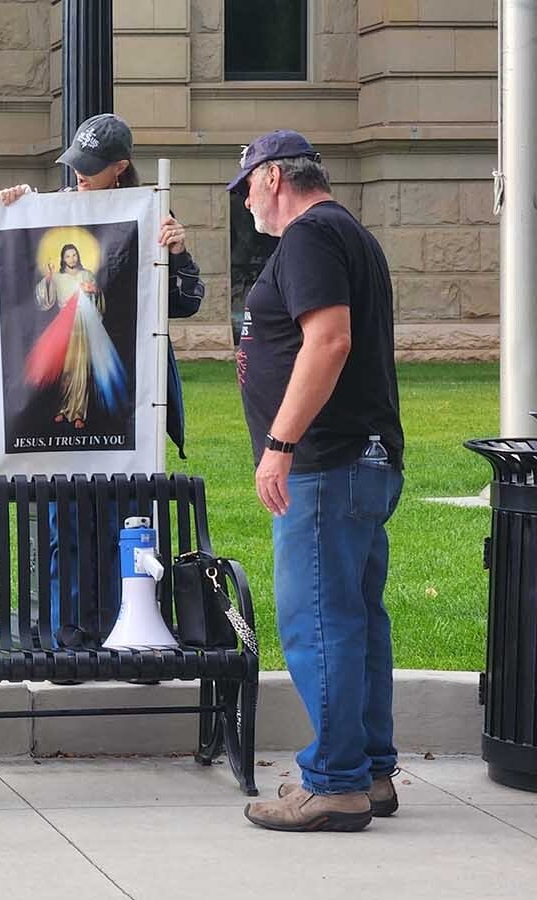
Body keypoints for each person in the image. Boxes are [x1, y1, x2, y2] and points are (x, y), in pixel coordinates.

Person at [230, 131, 404, 833]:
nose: (245, 201)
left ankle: (334, 783)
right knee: (358, 621)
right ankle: (371, 771)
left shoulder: (308, 237)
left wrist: (280, 443)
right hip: (361, 458)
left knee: (321, 625)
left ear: (274, 177)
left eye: (246, 185)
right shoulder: (351, 235)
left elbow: (329, 339)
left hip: (326, 464)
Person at [0, 113, 205, 646]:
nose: (79, 177)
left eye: (90, 169)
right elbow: (25, 284)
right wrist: (18, 204)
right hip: (57, 393)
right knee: (64, 519)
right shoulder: (53, 211)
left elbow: (183, 302)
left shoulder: (150, 214)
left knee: (126, 516)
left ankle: (128, 627)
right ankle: (69, 631)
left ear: (121, 169)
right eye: (75, 167)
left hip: (125, 398)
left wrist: (177, 253)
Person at [26, 242, 128, 429]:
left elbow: (98, 299)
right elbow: (44, 299)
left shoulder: (86, 275)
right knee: (66, 369)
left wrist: (93, 291)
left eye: (74, 255)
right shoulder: (57, 277)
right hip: (65, 327)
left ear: (78, 256)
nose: (71, 259)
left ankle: (79, 413)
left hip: (84, 325)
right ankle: (63, 409)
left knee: (82, 369)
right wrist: (49, 276)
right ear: (62, 259)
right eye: (67, 256)